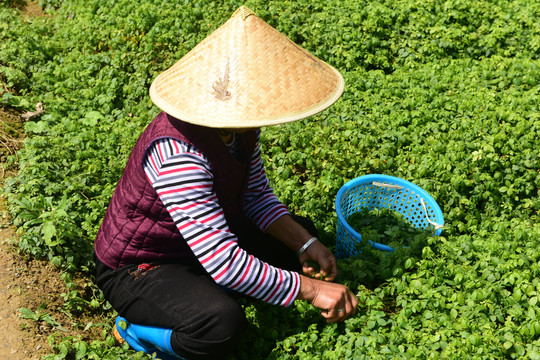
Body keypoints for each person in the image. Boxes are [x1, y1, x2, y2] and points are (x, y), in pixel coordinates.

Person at [94, 6, 358, 360]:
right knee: (219, 326)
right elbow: (222, 260)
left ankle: (223, 286)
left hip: (204, 239)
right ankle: (138, 331)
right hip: (145, 264)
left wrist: (305, 242)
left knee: (302, 237)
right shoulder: (177, 152)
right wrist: (310, 291)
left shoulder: (238, 127)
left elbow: (255, 195)